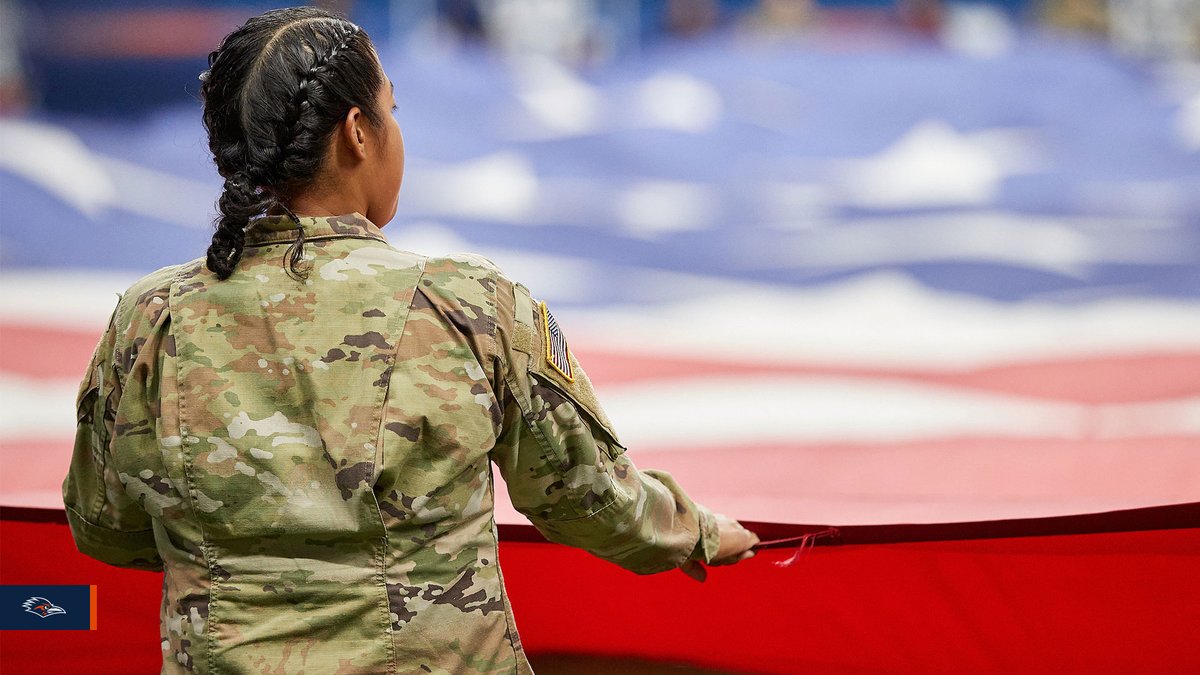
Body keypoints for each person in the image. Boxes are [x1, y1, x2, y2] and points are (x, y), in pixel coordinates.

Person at [62, 6, 758, 673]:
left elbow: (102, 525)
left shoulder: (150, 318)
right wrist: (697, 530)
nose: (398, 131)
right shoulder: (469, 304)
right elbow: (591, 500)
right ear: (357, 131)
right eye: (393, 110)